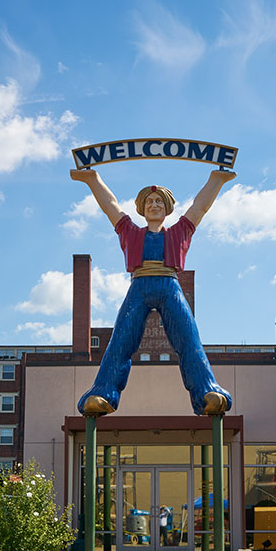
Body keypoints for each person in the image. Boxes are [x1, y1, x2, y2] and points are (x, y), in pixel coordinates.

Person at [70, 166, 236, 417]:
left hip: (170, 284)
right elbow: (110, 205)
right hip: (139, 285)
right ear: (141, 208)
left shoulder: (179, 231)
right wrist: (93, 180)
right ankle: (103, 393)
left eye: (159, 201)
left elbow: (199, 207)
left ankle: (206, 392)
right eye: (149, 201)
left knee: (189, 338)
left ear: (167, 208)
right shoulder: (131, 232)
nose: (154, 205)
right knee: (121, 339)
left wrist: (217, 180)